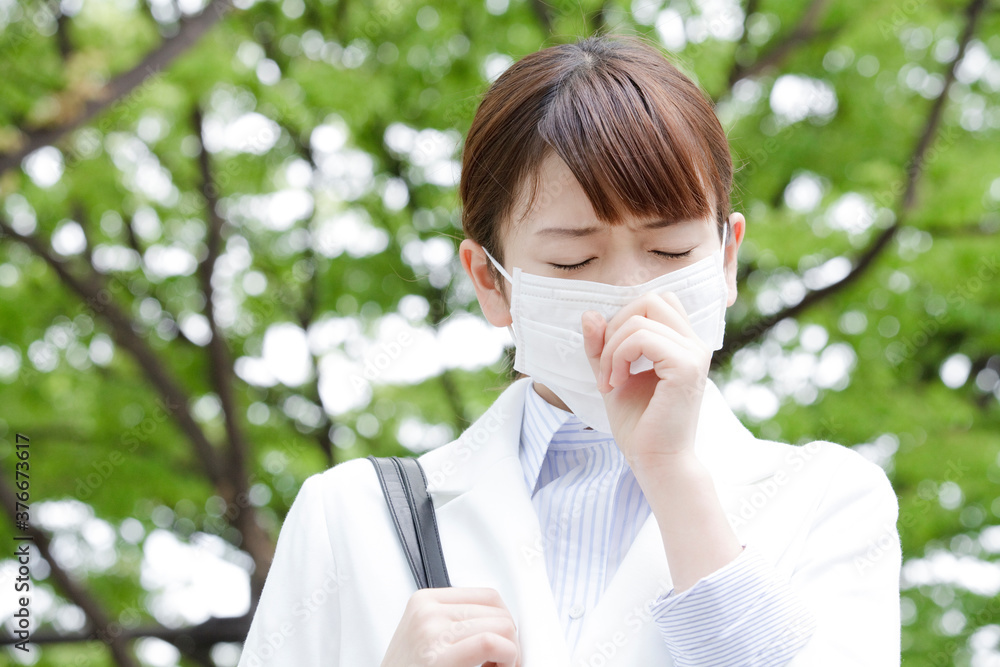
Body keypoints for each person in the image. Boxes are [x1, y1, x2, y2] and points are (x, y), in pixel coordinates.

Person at [237, 34, 901, 667]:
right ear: (490, 281)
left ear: (726, 258)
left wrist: (670, 471)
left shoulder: (827, 499)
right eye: (573, 260)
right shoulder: (350, 517)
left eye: (671, 251)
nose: (633, 295)